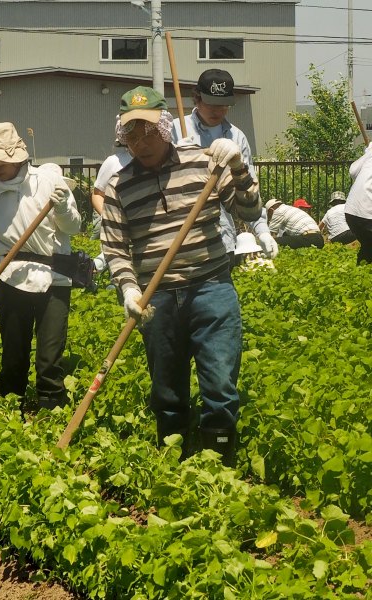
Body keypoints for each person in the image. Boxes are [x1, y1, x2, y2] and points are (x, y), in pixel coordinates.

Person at [101, 86, 262, 465]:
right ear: (122, 136)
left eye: (148, 130)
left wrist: (238, 168)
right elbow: (115, 249)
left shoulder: (203, 163)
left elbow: (250, 212)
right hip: (156, 298)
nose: (141, 141)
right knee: (167, 390)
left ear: (165, 126)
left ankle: (220, 467)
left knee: (220, 383)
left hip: (211, 287)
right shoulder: (118, 186)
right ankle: (174, 465)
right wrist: (128, 291)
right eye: (132, 133)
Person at [0, 122, 81, 413]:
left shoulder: (47, 181)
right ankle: (10, 413)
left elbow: (74, 228)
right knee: (14, 354)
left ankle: (49, 414)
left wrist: (64, 207)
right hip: (9, 276)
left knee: (49, 357)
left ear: (17, 155)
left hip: (54, 276)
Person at [171, 68, 278, 266]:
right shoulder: (175, 130)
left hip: (222, 240)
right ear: (197, 98)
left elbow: (247, 188)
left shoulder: (236, 137)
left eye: (224, 105)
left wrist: (262, 230)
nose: (217, 110)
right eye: (211, 103)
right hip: (181, 241)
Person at [346, 141, 372, 265]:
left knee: (368, 245)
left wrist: (368, 153)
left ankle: (361, 272)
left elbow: (352, 171)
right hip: (367, 213)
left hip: (351, 212)